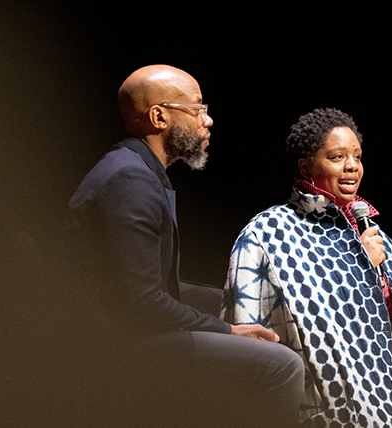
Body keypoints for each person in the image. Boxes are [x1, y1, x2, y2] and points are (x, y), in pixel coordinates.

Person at [221, 108, 392, 427]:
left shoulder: (371, 232)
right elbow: (291, 327)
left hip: (386, 378)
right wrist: (359, 264)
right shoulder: (271, 232)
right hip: (322, 391)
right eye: (337, 156)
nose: (351, 167)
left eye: (357, 157)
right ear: (306, 167)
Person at [67, 65, 303, 427]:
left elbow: (155, 287)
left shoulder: (137, 169)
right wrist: (226, 330)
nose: (207, 120)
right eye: (197, 109)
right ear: (159, 116)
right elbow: (142, 303)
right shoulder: (129, 180)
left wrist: (235, 297)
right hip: (116, 343)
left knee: (237, 301)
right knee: (284, 366)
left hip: (129, 324)